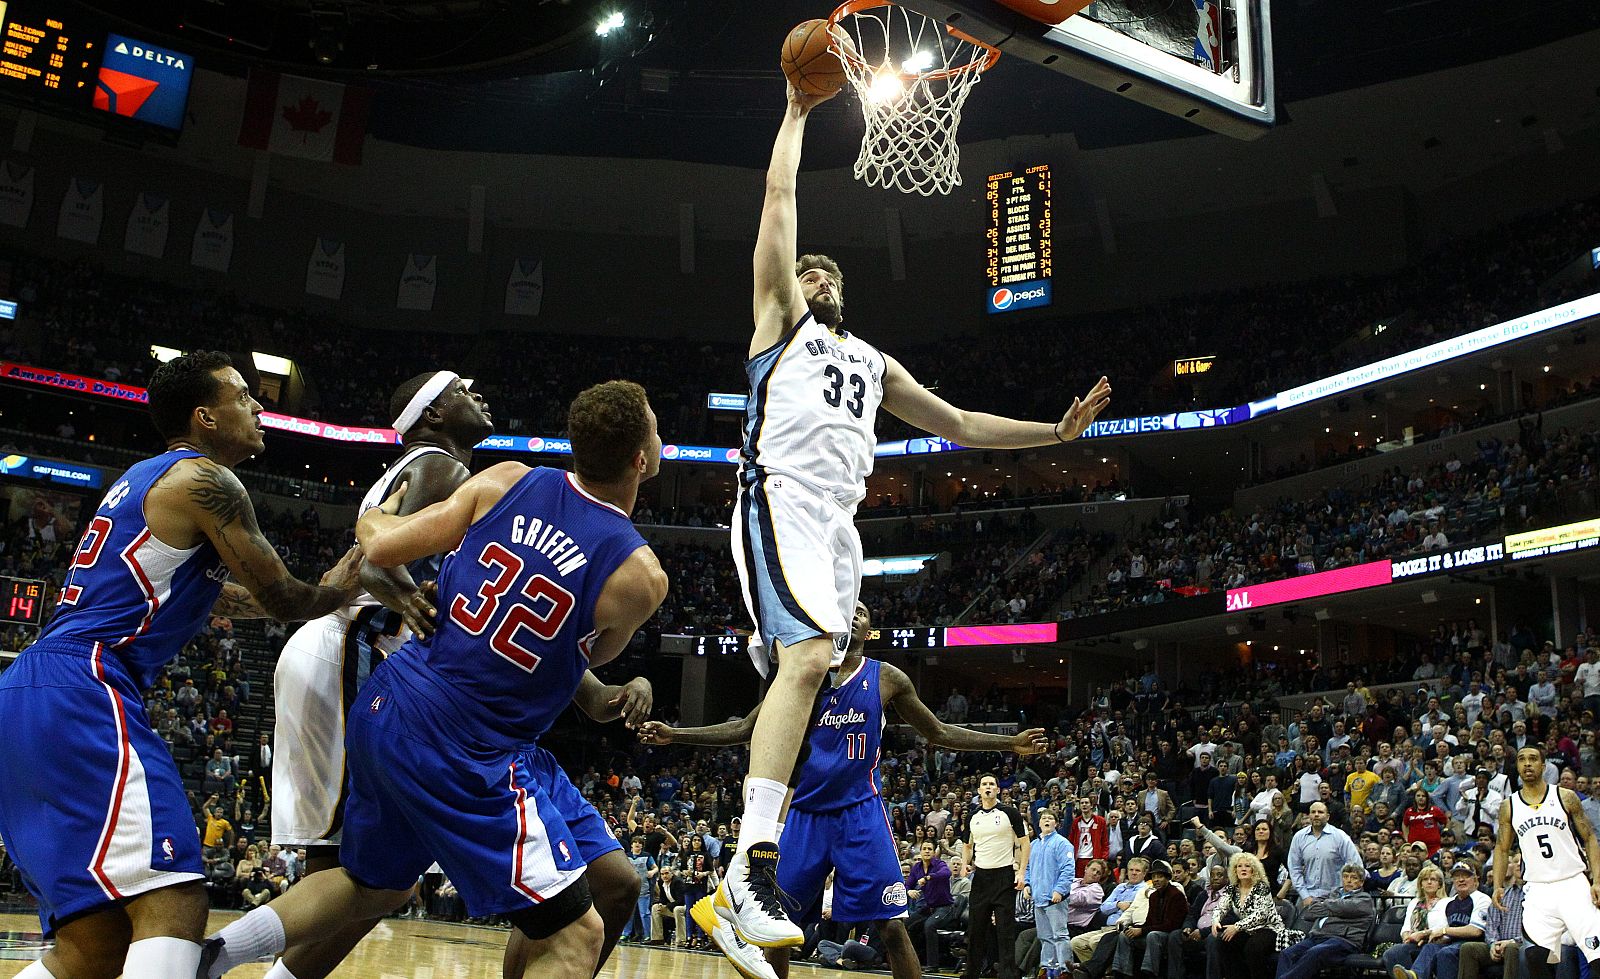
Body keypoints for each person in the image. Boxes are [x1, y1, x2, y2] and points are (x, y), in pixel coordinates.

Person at [711, 73, 1111, 964]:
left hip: (840, 529)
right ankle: (748, 862)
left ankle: (741, 904)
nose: (807, 274)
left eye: (820, 270)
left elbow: (961, 424)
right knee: (811, 656)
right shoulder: (778, 323)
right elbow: (779, 199)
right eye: (801, 268)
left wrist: (1055, 429)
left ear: (839, 290)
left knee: (815, 662)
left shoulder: (874, 360)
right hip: (779, 497)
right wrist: (793, 111)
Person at [199, 381, 670, 979]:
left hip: (392, 698)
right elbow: (583, 657)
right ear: (641, 459)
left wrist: (372, 513)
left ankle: (210, 956)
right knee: (575, 933)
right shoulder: (641, 576)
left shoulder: (504, 479)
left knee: (372, 883)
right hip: (464, 743)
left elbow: (380, 545)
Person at [0, 351, 364, 979]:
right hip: (85, 684)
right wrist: (340, 590)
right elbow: (283, 597)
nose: (257, 407)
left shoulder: (143, 478)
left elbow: (209, 595)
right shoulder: (208, 481)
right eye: (243, 397)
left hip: (32, 686)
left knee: (95, 944)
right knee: (175, 896)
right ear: (205, 417)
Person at [640, 604, 1048, 979]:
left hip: (860, 814)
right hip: (804, 817)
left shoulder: (886, 677)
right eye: (845, 609)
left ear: (870, 630)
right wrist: (676, 734)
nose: (853, 615)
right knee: (776, 926)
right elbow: (746, 728)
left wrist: (1008, 743)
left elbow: (938, 732)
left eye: (862, 611)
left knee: (891, 926)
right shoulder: (802, 674)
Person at [1493, 745, 1600, 979]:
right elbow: (1501, 848)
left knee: (1597, 955)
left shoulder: (1565, 797)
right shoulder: (1509, 806)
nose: (1527, 763)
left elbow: (1590, 837)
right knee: (1535, 957)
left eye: (1533, 759)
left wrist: (1597, 881)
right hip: (1538, 889)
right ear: (1517, 766)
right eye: (1522, 759)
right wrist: (1497, 885)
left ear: (1543, 766)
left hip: (1573, 883)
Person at [1392, 861, 1490, 979]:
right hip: (1453, 942)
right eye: (1457, 877)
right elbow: (1446, 929)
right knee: (1430, 947)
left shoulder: (1481, 899)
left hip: (1475, 944)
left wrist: (1443, 931)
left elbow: (1475, 931)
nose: (1461, 880)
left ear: (1475, 879)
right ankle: (1414, 975)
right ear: (1452, 881)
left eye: (1465, 876)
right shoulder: (1452, 902)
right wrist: (1438, 937)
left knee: (1446, 953)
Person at [1274, 864, 1374, 979]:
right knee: (1287, 954)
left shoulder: (1365, 899)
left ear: (1361, 882)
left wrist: (1327, 905)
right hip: (1318, 937)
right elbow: (1311, 910)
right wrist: (1336, 909)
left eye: (1354, 877)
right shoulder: (1333, 894)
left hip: (1344, 940)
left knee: (1315, 953)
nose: (1349, 880)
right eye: (1345, 876)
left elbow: (1346, 907)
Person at [1212, 853, 1289, 979]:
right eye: (1239, 866)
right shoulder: (1232, 888)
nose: (1243, 869)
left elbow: (1261, 915)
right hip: (1247, 929)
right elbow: (1221, 907)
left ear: (1254, 870)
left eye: (1247, 866)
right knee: (1224, 941)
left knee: (1252, 948)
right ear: (1234, 870)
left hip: (1269, 928)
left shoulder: (1261, 887)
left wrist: (1237, 926)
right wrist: (1215, 920)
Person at [1457, 851, 1524, 979]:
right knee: (1469, 948)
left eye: (1522, 862)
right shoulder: (1502, 894)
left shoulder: (1536, 894)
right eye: (1515, 862)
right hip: (1499, 945)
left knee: (1511, 948)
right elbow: (1491, 925)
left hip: (1521, 944)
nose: (1518, 865)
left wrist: (1511, 941)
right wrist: (1493, 944)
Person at [1027, 810, 1075, 979]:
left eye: (1050, 818)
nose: (1046, 820)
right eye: (1043, 818)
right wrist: (1027, 884)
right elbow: (1027, 867)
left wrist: (1059, 890)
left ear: (1056, 823)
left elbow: (1068, 870)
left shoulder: (1063, 844)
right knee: (1044, 936)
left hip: (1055, 899)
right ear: (1039, 823)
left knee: (1060, 934)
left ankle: (1065, 969)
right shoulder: (1033, 845)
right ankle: (1047, 967)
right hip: (1038, 898)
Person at [1288, 802, 1363, 906]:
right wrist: (1304, 895)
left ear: (1328, 817)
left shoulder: (1340, 836)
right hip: (1307, 896)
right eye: (1313, 812)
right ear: (1309, 816)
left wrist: (1345, 893)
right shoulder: (1299, 837)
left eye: (1320, 812)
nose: (1316, 815)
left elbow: (1356, 865)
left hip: (1335, 897)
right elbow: (1294, 868)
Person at [1383, 864, 1448, 975]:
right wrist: (1406, 936)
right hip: (1415, 942)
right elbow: (1406, 926)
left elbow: (1443, 926)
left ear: (1439, 884)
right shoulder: (1414, 902)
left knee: (1428, 948)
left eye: (1433, 879)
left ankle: (1414, 976)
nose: (1429, 882)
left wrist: (1422, 934)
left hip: (1436, 943)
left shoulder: (1447, 902)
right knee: (1392, 952)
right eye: (1425, 879)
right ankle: (1408, 976)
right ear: (1421, 884)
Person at [907, 841, 957, 970]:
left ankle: (933, 965)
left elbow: (946, 873)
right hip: (929, 908)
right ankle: (913, 961)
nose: (927, 851)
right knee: (908, 924)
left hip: (945, 907)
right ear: (920, 851)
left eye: (930, 849)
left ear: (934, 852)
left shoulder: (940, 864)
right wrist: (909, 891)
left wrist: (928, 877)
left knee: (929, 925)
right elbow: (908, 884)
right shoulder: (917, 867)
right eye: (924, 849)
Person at [1402, 787, 1450, 857]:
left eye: (1423, 796)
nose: (1421, 798)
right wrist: (1406, 837)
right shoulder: (1409, 811)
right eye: (1418, 796)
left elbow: (1447, 821)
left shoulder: (1434, 810)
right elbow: (1404, 824)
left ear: (1427, 798)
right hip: (1415, 848)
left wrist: (1445, 834)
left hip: (1433, 847)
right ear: (1414, 798)